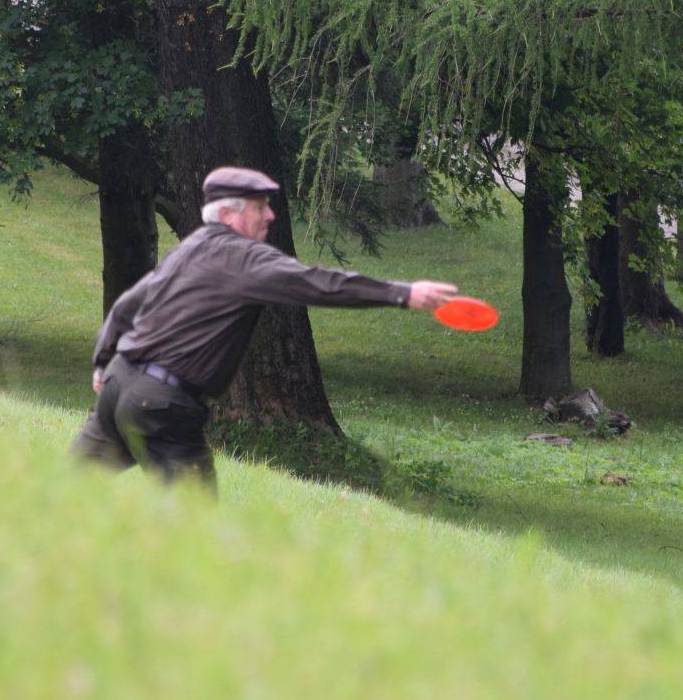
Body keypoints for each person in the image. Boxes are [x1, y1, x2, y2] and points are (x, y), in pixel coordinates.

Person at [70, 165, 459, 491]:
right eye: (260, 208)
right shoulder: (245, 259)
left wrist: (103, 361)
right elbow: (318, 283)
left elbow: (126, 305)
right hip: (160, 404)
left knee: (65, 493)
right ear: (229, 214)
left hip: (120, 383)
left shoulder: (191, 247)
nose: (271, 216)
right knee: (194, 533)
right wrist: (403, 293)